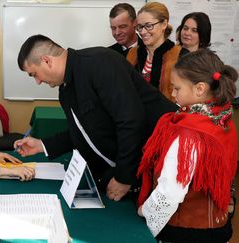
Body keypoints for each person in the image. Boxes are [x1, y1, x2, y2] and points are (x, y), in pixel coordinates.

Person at [14, 34, 177, 201]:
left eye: (34, 74)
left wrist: (123, 177)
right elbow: (83, 131)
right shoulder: (65, 90)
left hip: (165, 161)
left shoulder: (100, 62)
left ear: (47, 60)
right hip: (136, 167)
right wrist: (42, 145)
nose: (38, 81)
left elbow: (130, 121)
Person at [137, 49, 237, 242]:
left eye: (177, 88)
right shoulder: (222, 117)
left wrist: (146, 212)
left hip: (186, 231)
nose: (173, 94)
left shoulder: (188, 134)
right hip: (217, 225)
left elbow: (170, 194)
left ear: (199, 89)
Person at [126, 2, 181, 102]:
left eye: (148, 26)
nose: (142, 32)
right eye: (140, 27)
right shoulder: (132, 53)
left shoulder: (180, 55)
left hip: (167, 115)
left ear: (164, 24)